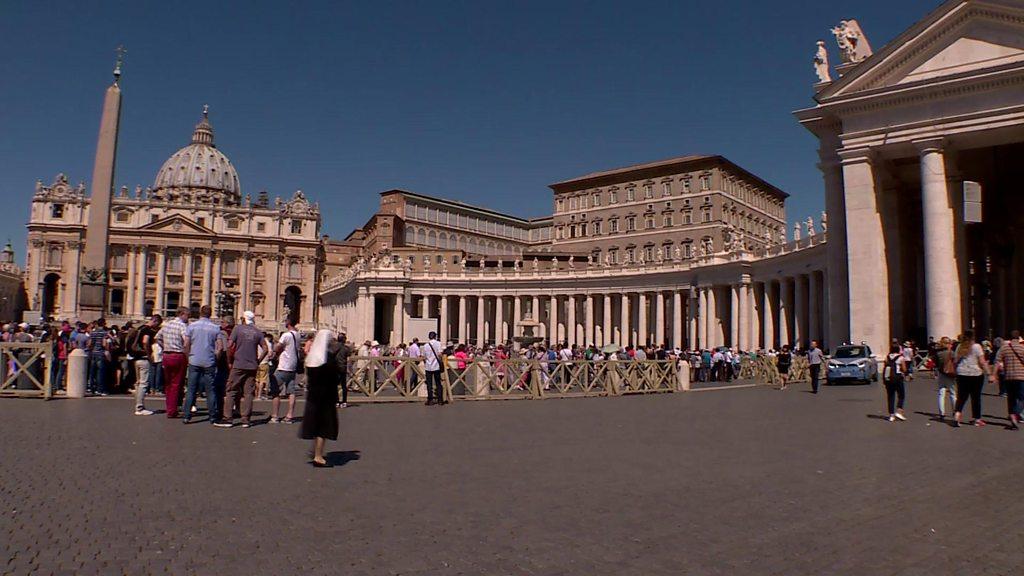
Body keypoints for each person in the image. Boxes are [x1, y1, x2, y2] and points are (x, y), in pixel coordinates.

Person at [217, 311, 268, 428]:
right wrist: (258, 360)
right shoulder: (257, 331)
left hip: (239, 364)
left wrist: (229, 360)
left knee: (231, 390)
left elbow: (230, 346)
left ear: (243, 319)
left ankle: (228, 418)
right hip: (252, 365)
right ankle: (246, 419)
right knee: (248, 393)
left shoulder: (237, 329)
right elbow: (265, 348)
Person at [301, 329, 341, 467]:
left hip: (312, 396)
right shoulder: (328, 359)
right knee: (323, 427)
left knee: (315, 425)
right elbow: (336, 377)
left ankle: (317, 451)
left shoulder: (312, 357)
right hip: (326, 396)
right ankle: (318, 456)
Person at [182, 305, 224, 425]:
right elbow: (220, 347)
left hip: (194, 360)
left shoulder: (191, 326)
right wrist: (216, 358)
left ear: (200, 313)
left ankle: (186, 416)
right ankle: (212, 416)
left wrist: (188, 357)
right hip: (209, 361)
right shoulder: (215, 328)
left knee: (191, 389)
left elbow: (186, 345)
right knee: (210, 390)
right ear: (210, 314)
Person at [156, 307, 189, 418]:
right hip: (178, 355)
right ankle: (172, 410)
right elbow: (186, 341)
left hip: (166, 355)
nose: (188, 318)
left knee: (168, 384)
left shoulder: (166, 324)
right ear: (182, 314)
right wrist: (187, 353)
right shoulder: (182, 326)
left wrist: (164, 346)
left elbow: (157, 338)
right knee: (176, 384)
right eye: (187, 315)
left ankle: (169, 407)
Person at [953, 330, 990, 428]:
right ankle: (977, 419)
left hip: (962, 373)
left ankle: (957, 413)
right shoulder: (977, 347)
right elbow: (982, 361)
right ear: (973, 337)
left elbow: (955, 361)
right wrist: (989, 373)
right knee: (976, 397)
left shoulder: (959, 347)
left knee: (961, 396)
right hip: (975, 373)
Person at [269, 319, 302, 423]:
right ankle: (290, 415)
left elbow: (278, 347)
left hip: (283, 366)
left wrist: (274, 350)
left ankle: (275, 416)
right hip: (293, 366)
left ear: (288, 323)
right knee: (291, 391)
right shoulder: (297, 335)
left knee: (275, 390)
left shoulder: (286, 335)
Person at [992, 330, 1024, 430]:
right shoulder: (1022, 348)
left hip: (1008, 376)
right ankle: (1016, 413)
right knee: (1022, 398)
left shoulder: (1004, 348)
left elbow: (997, 361)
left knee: (1011, 398)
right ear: (1018, 338)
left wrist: (993, 375)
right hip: (1021, 376)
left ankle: (1012, 418)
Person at [129, 314, 161, 416]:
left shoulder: (140, 328)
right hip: (143, 358)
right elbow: (145, 341)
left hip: (136, 358)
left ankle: (138, 405)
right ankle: (140, 407)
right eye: (157, 324)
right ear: (155, 321)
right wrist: (149, 355)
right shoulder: (148, 330)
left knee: (138, 383)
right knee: (143, 383)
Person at [86, 318, 112, 396]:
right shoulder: (104, 333)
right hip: (101, 354)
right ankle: (100, 389)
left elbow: (89, 344)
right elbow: (104, 344)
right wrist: (107, 349)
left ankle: (91, 388)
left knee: (92, 372)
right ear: (104, 324)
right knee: (100, 373)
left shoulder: (93, 333)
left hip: (93, 353)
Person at [882, 343, 908, 422]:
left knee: (890, 396)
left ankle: (891, 415)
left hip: (889, 379)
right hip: (898, 378)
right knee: (901, 395)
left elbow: (885, 367)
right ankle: (899, 411)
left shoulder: (887, 357)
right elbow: (904, 369)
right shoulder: (901, 358)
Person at [935, 337, 957, 420]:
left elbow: (936, 364)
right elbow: (955, 363)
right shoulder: (952, 353)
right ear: (948, 344)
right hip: (950, 374)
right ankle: (954, 410)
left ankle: (942, 413)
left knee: (941, 393)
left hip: (941, 374)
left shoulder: (938, 353)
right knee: (953, 393)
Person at [422, 331, 444, 405]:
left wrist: (426, 362)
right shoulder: (438, 343)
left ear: (429, 337)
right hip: (436, 366)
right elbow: (440, 354)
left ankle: (430, 400)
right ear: (435, 336)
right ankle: (440, 400)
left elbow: (424, 357)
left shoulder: (425, 345)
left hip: (428, 367)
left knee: (429, 384)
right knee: (438, 383)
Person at [336, 333, 351, 408]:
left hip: (335, 368)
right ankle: (344, 401)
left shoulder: (334, 347)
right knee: (344, 386)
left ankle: (337, 401)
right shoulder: (346, 348)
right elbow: (348, 358)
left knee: (335, 386)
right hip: (343, 367)